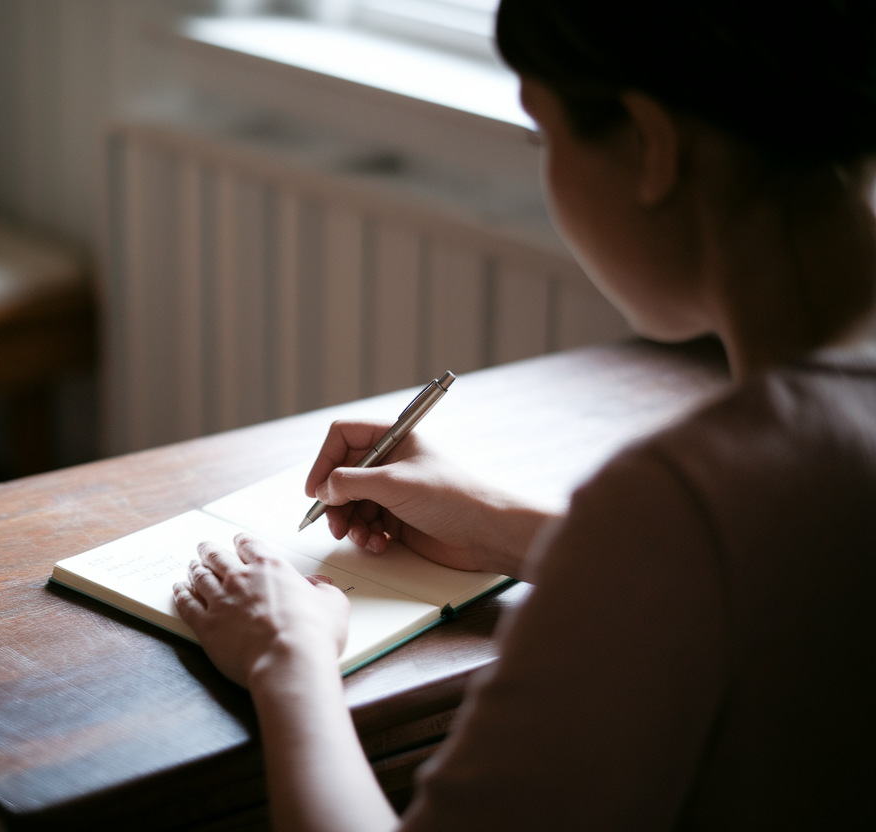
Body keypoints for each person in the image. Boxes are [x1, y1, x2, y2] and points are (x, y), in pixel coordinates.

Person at [172, 1, 876, 829]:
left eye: (542, 136)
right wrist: (503, 528)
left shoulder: (695, 491)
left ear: (651, 144)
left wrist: (286, 660)